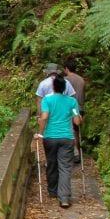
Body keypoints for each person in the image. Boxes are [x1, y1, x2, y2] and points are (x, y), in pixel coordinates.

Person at [34, 75, 82, 208]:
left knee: (51, 163)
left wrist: (40, 133)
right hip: (67, 138)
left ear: (54, 87)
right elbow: (77, 121)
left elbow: (44, 117)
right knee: (65, 167)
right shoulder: (72, 102)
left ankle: (53, 191)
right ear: (65, 87)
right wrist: (78, 116)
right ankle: (64, 197)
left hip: (50, 137)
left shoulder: (47, 100)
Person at [63, 61, 86, 162]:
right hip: (80, 108)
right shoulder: (81, 80)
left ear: (67, 68)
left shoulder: (65, 80)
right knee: (76, 131)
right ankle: (77, 153)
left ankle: (72, 152)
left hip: (69, 108)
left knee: (69, 130)